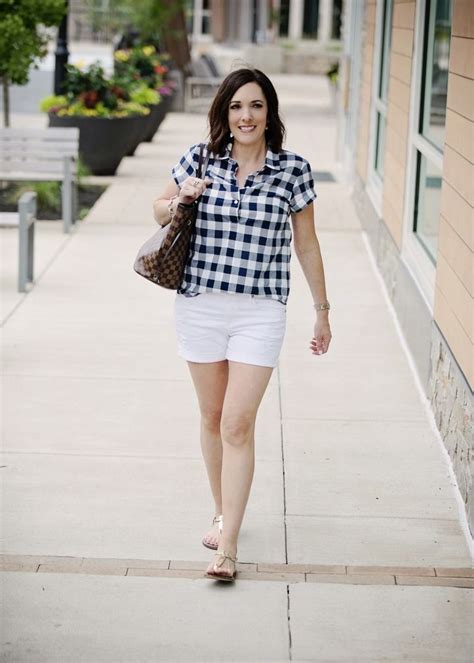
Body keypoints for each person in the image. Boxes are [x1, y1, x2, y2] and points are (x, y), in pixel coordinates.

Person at [153, 67, 332, 582]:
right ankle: (221, 508)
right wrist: (181, 196)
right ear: (224, 113)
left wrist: (322, 310)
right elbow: (158, 211)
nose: (245, 116)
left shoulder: (293, 170)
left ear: (269, 112)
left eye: (254, 106)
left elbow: (307, 243)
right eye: (236, 107)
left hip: (260, 310)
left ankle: (228, 545)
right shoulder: (199, 158)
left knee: (237, 422)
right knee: (212, 417)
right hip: (200, 304)